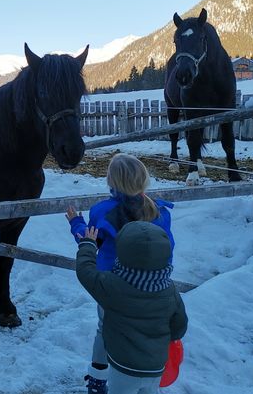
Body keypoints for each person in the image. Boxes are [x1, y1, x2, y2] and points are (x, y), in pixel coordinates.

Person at [65, 153, 175, 394]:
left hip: (111, 286)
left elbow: (89, 240)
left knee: (105, 328)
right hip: (149, 286)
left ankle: (98, 379)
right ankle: (144, 374)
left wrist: (76, 223)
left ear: (111, 182)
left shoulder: (102, 212)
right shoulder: (159, 212)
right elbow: (166, 248)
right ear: (144, 179)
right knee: (143, 328)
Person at [75, 222, 188, 394]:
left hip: (123, 367)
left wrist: (88, 245)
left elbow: (85, 271)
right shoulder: (169, 289)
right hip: (155, 366)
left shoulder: (112, 286)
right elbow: (179, 327)